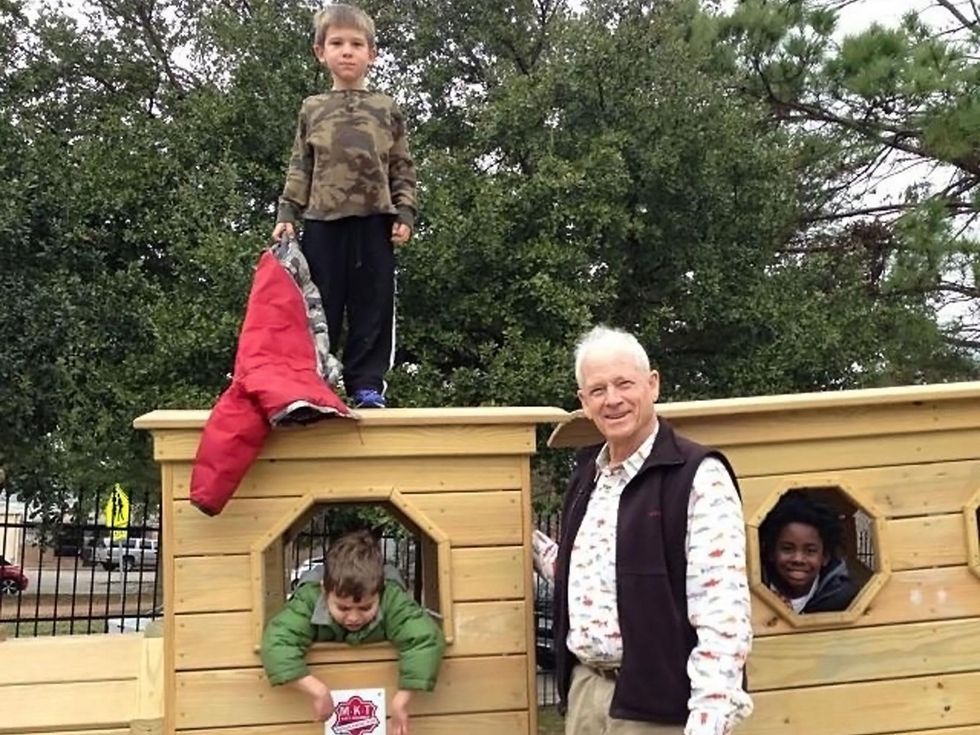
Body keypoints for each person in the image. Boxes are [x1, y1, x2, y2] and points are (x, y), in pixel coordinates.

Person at [534, 326, 753, 735]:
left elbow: (722, 611)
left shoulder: (697, 476)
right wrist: (525, 541)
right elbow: (584, 573)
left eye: (624, 384)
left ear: (653, 385)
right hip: (586, 692)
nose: (612, 399)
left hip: (659, 710)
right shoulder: (588, 478)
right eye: (597, 390)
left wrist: (709, 720)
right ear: (584, 402)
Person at [271, 3, 417, 409]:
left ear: (372, 53)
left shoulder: (386, 108)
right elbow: (300, 165)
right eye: (337, 43)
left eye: (356, 44)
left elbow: (402, 166)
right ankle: (312, 382)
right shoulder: (313, 108)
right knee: (318, 305)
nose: (347, 51)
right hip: (323, 222)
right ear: (321, 52)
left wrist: (405, 211)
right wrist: (287, 212)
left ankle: (366, 384)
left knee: (373, 304)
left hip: (375, 222)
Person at [261, 530, 445, 734]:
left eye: (365, 608)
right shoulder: (307, 601)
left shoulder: (392, 599)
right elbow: (277, 642)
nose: (354, 618)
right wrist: (316, 689)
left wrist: (403, 698)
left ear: (380, 592)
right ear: (324, 591)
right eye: (343, 608)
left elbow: (424, 638)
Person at [759, 490, 859, 614]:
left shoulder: (842, 599)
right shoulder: (748, 591)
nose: (798, 559)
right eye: (787, 549)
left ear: (825, 557)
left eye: (810, 551)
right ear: (771, 552)